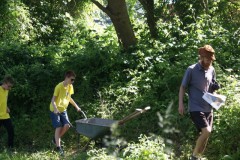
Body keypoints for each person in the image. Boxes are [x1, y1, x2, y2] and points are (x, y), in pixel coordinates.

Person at [178, 45, 220, 160]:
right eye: (207, 59)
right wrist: (180, 104)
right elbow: (182, 87)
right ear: (201, 57)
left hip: (209, 107)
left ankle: (199, 157)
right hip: (196, 107)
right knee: (206, 131)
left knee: (206, 136)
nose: (209, 61)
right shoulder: (191, 69)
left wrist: (216, 91)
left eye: (211, 59)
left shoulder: (212, 69)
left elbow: (211, 88)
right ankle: (193, 156)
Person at [49, 71, 81, 156]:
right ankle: (59, 148)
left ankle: (55, 139)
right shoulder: (59, 87)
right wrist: (55, 109)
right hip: (54, 110)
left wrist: (76, 107)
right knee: (59, 126)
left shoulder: (70, 86)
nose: (73, 81)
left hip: (63, 110)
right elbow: (53, 100)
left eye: (74, 80)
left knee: (67, 126)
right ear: (67, 77)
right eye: (72, 79)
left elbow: (69, 98)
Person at [0, 75, 14, 149]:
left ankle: (10, 148)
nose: (9, 88)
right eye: (9, 86)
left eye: (11, 87)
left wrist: (6, 107)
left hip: (5, 115)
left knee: (11, 131)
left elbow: (4, 100)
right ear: (5, 83)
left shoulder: (6, 91)